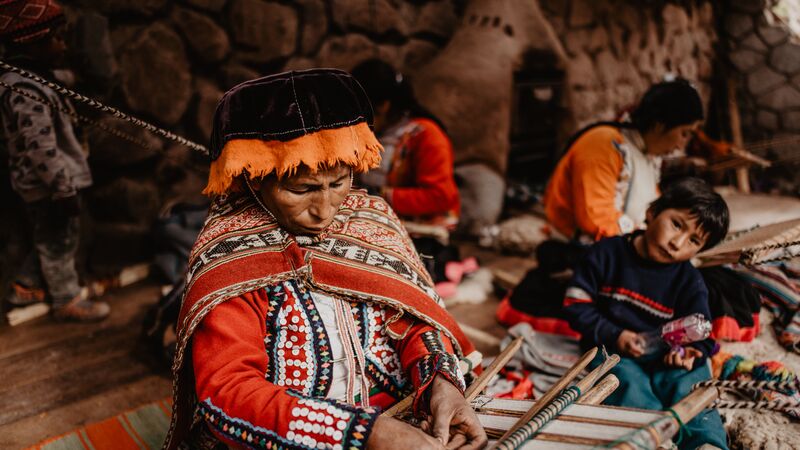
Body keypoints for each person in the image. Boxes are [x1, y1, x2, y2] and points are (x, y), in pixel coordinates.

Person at [163, 68, 487, 450]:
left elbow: (415, 321)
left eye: (339, 182)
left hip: (404, 423)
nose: (324, 210)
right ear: (254, 179)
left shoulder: (371, 220)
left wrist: (441, 385)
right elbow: (229, 392)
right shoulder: (231, 256)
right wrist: (366, 434)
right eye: (301, 189)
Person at [563, 178, 730, 449]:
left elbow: (702, 329)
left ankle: (705, 442)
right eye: (677, 224)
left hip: (666, 355)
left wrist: (690, 352)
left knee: (692, 383)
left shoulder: (689, 280)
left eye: (694, 240)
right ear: (653, 212)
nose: (678, 242)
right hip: (615, 349)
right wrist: (615, 335)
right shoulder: (606, 253)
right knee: (625, 382)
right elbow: (575, 304)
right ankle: (649, 438)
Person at [0, 0, 109, 321]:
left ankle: (25, 288)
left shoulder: (35, 78)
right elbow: (41, 148)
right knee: (59, 243)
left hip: (45, 184)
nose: (63, 44)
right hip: (49, 186)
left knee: (49, 238)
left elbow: (58, 80)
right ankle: (66, 300)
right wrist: (63, 189)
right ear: (33, 44)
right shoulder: (25, 91)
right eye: (57, 38)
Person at [544, 79, 703, 241]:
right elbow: (595, 219)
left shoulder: (647, 154)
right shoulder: (604, 144)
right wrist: (643, 241)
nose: (682, 144)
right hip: (578, 251)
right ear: (659, 125)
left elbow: (651, 206)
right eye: (684, 133)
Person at [350, 59, 459, 229]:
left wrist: (378, 195)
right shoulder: (377, 133)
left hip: (421, 231)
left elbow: (441, 197)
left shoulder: (427, 135)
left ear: (383, 106)